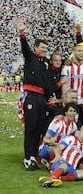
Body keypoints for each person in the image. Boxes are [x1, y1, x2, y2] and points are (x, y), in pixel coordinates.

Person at [16, 19, 65, 171]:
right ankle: (28, 157)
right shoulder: (31, 58)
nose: (44, 50)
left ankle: (34, 155)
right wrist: (22, 33)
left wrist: (60, 83)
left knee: (37, 128)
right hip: (31, 96)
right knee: (30, 128)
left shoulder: (44, 63)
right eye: (42, 47)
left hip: (42, 99)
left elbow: (49, 83)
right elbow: (25, 49)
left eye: (46, 48)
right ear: (36, 48)